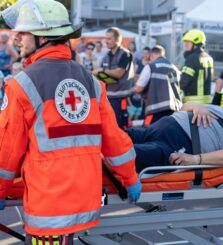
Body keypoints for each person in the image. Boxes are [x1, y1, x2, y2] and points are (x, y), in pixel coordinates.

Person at [0, 0, 141, 243]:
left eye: (24, 32)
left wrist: (1, 189)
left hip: (48, 206)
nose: (18, 37)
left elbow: (7, 149)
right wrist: (130, 178)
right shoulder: (90, 81)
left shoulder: (21, 84)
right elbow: (113, 138)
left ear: (44, 38)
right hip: (84, 199)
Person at [127, 94, 223, 173]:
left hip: (175, 145)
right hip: (157, 129)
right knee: (109, 137)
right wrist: (197, 106)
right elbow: (184, 107)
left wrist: (195, 159)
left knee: (117, 155)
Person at [93, 27, 135, 129]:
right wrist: (98, 75)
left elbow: (119, 73)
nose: (106, 41)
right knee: (109, 128)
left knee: (120, 128)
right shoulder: (106, 56)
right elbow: (105, 76)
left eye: (109, 39)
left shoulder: (125, 54)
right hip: (109, 98)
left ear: (118, 39)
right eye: (105, 38)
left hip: (121, 98)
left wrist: (101, 71)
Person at [134, 45, 182, 125]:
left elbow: (139, 88)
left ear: (152, 56)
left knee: (148, 133)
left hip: (155, 110)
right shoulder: (174, 68)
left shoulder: (151, 66)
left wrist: (134, 88)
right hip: (173, 111)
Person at [180, 29, 214, 104]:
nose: (185, 44)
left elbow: (184, 80)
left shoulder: (192, 58)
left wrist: (174, 91)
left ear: (196, 43)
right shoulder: (208, 58)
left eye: (188, 42)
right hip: (207, 101)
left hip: (192, 102)